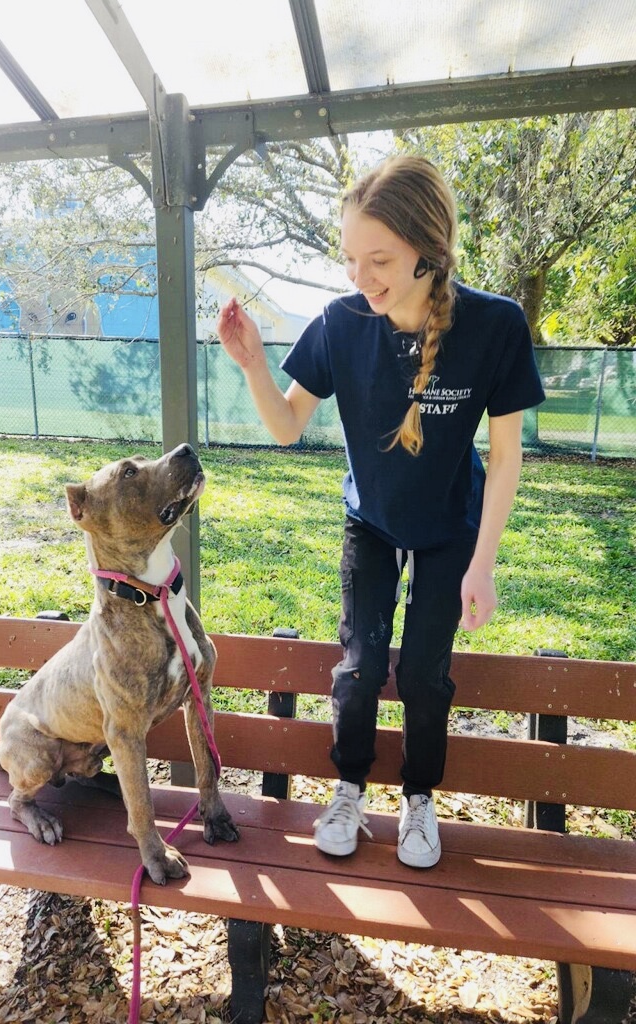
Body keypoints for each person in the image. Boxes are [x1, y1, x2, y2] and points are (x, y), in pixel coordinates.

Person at [216, 155, 545, 868]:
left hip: (451, 526)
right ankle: (349, 788)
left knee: (425, 672)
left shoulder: (495, 326)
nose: (359, 277)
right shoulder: (340, 324)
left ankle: (419, 800)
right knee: (361, 665)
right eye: (350, 259)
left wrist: (483, 565)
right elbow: (286, 426)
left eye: (379, 259)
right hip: (371, 520)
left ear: (428, 250)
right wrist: (251, 366)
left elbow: (508, 454)